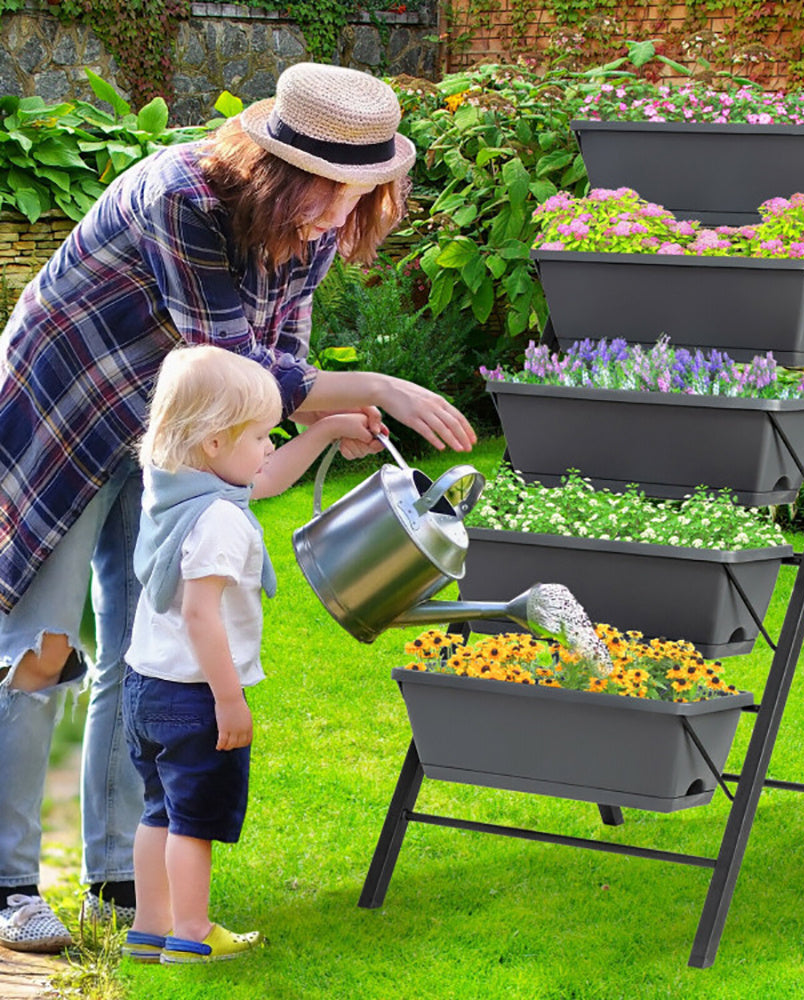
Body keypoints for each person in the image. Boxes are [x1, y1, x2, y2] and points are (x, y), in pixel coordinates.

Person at [0, 61, 476, 953]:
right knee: (42, 650)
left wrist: (326, 417)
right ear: (274, 165)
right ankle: (6, 884)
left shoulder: (319, 226)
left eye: (360, 192)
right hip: (68, 408)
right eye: (327, 190)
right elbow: (231, 358)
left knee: (147, 643)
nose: (339, 214)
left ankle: (117, 877)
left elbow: (276, 367)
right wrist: (373, 383)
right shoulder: (179, 195)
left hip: (178, 433)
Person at [121, 344, 349, 964]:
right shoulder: (218, 520)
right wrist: (228, 699)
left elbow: (265, 476)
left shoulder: (169, 486)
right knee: (195, 821)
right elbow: (201, 616)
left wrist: (327, 429)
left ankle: (149, 928)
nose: (270, 447)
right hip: (197, 693)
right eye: (260, 436)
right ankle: (192, 935)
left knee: (159, 811)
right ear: (215, 444)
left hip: (144, 684)